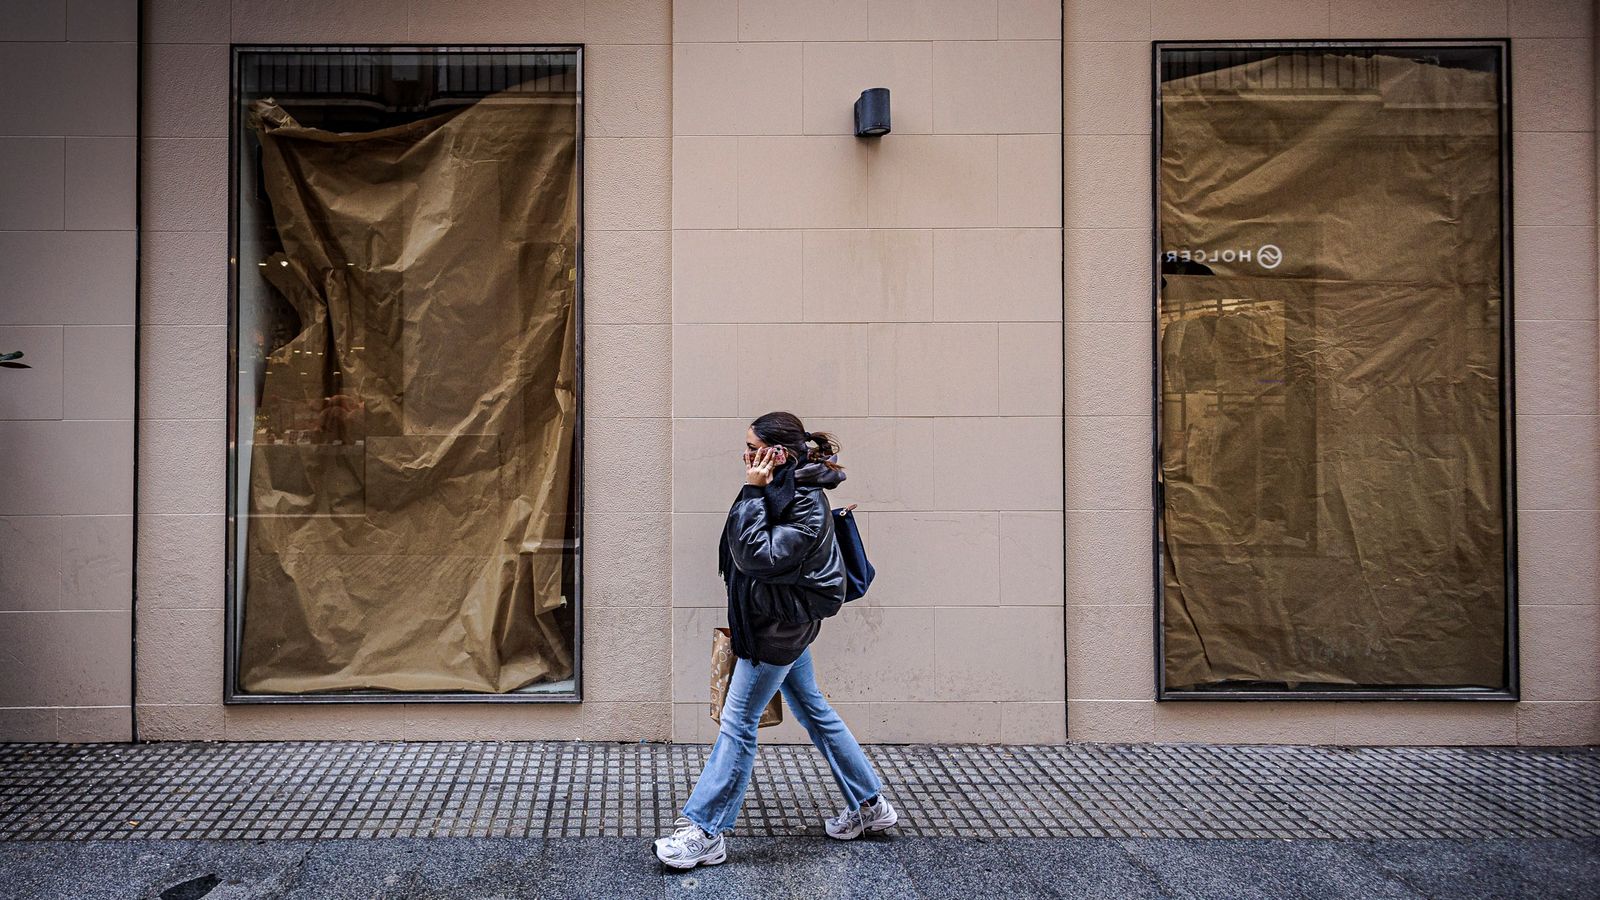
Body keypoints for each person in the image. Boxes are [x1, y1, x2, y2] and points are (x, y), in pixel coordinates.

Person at [654, 411, 897, 869]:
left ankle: (706, 830)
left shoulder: (803, 503)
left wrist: (752, 491)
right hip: (780, 623)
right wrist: (759, 490)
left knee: (738, 723)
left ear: (778, 453)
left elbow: (755, 555)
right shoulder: (782, 488)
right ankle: (870, 805)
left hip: (776, 632)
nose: (745, 456)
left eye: (752, 448)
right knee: (814, 711)